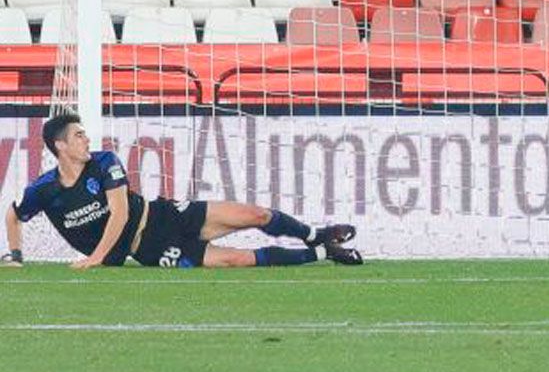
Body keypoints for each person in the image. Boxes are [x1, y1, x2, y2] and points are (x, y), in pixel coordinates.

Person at [1, 113, 363, 269]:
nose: (86, 139)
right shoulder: (44, 190)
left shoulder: (104, 160)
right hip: (149, 247)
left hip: (162, 213)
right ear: (60, 146)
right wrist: (15, 255)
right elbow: (13, 215)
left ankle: (316, 234)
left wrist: (95, 257)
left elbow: (121, 212)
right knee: (237, 260)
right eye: (78, 135)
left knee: (254, 215)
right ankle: (324, 256)